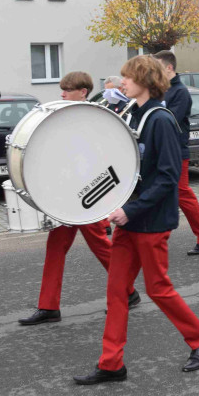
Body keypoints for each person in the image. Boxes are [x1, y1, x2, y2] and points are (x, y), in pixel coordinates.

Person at [74, 56, 199, 385]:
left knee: (158, 289)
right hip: (130, 218)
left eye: (128, 77)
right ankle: (111, 363)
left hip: (150, 220)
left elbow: (166, 178)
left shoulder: (161, 120)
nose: (122, 82)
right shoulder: (132, 113)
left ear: (146, 80)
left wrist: (130, 210)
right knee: (117, 291)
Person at [19, 72, 138, 326]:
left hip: (86, 198)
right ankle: (49, 306)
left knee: (102, 247)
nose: (62, 93)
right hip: (66, 197)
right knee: (56, 246)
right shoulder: (66, 117)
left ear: (83, 92)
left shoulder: (90, 118)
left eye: (67, 89)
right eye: (62, 89)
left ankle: (127, 291)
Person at [153, 51, 199, 255]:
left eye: (157, 68)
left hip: (176, 151)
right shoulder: (162, 90)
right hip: (163, 151)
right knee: (167, 195)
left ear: (169, 68)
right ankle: (156, 240)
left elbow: (171, 120)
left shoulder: (180, 92)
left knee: (182, 195)